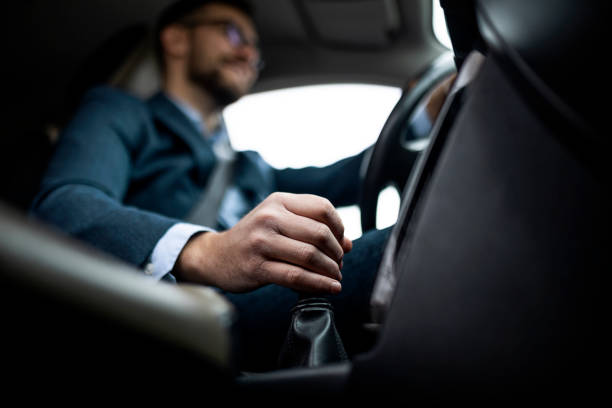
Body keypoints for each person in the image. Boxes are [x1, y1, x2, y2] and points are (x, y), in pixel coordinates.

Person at [30, 0, 396, 371]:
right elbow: (63, 203)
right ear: (176, 39)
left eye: (255, 49)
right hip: (173, 313)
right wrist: (206, 251)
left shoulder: (248, 164)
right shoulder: (120, 112)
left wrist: (420, 123)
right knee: (410, 245)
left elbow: (339, 177)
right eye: (232, 32)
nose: (249, 52)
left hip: (261, 303)